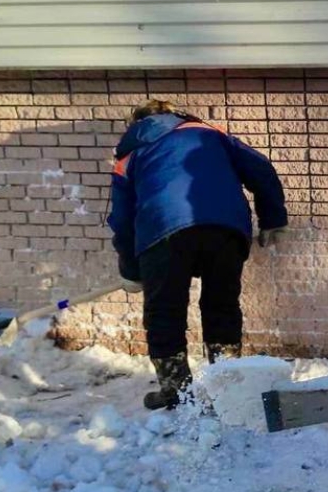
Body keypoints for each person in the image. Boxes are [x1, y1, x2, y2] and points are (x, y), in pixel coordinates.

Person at [108, 100, 288, 410]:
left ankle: (177, 391)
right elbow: (260, 167)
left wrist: (132, 269)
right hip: (225, 227)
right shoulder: (210, 133)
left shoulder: (131, 152)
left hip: (162, 229)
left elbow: (122, 220)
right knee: (222, 305)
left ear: (137, 124)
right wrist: (273, 217)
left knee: (165, 311)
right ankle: (227, 385)